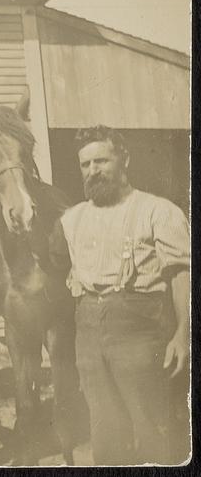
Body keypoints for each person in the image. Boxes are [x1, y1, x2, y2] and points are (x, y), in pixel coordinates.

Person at [52, 125, 190, 465]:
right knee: (104, 427)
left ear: (123, 159)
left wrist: (183, 334)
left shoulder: (159, 211)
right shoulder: (72, 220)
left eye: (102, 161)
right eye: (85, 164)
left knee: (151, 425)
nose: (93, 171)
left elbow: (182, 274)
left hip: (140, 328)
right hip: (88, 330)